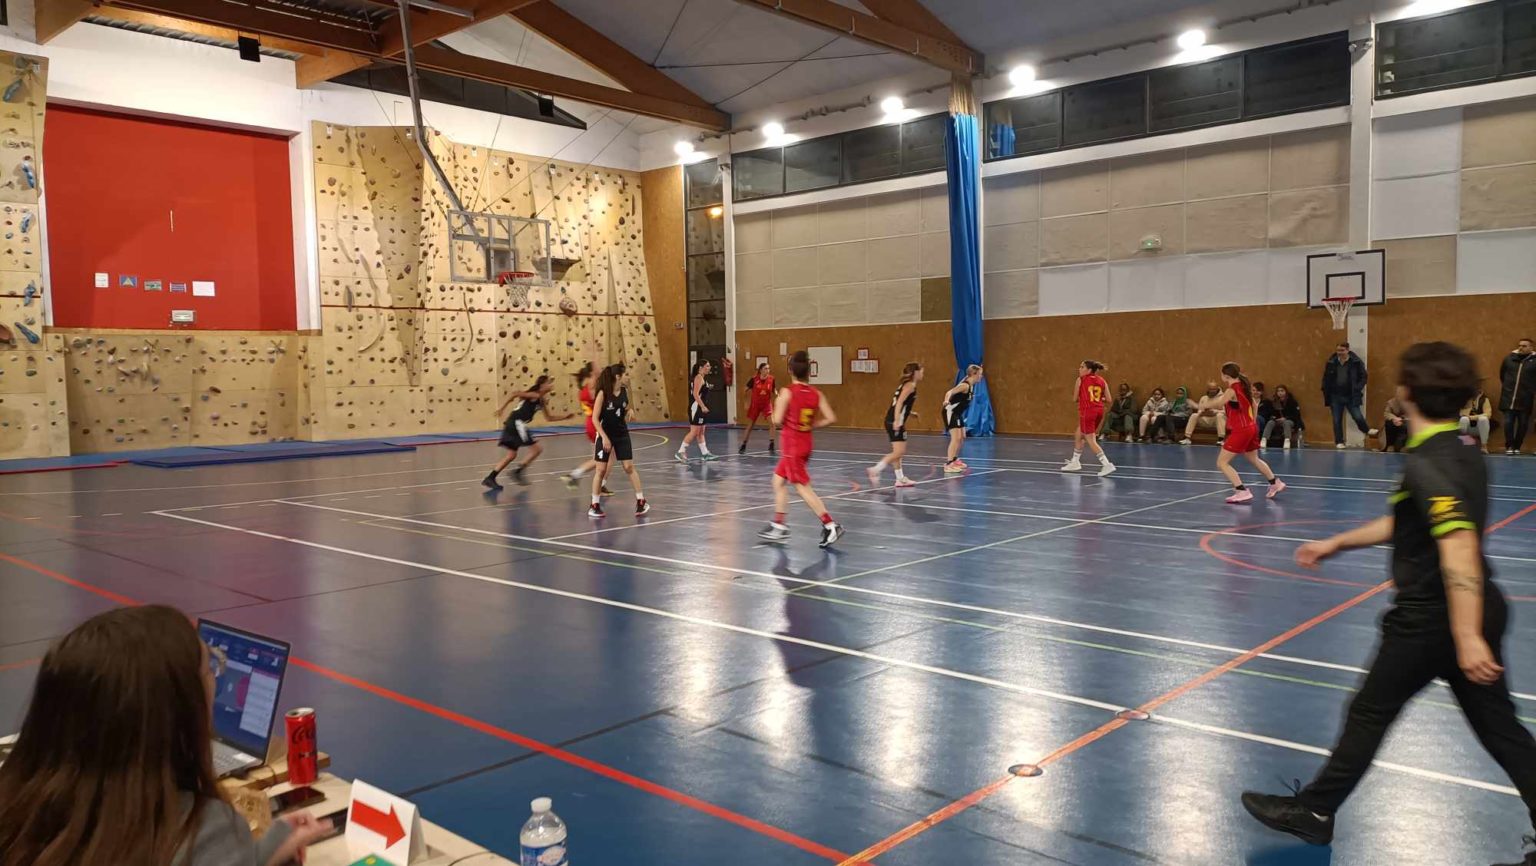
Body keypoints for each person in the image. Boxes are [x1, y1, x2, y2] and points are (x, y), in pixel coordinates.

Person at [1241, 341, 1536, 866]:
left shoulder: (1430, 464)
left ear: (1407, 393)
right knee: (1501, 730)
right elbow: (1410, 521)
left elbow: (1458, 548)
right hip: (1473, 606)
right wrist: (1337, 542)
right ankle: (1317, 807)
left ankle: (1315, 811)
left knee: (1370, 711)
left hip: (1433, 617)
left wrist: (1466, 635)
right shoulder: (1463, 445)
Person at [0, 605, 331, 866]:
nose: (215, 680)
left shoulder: (22, 811)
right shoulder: (198, 832)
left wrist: (255, 855)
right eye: (209, 670)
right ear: (178, 711)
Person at [757, 350, 844, 548]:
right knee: (778, 481)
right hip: (805, 443)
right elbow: (831, 418)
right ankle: (779, 525)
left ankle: (830, 524)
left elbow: (777, 420)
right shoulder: (816, 393)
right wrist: (812, 425)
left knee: (802, 486)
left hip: (792, 446)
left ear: (790, 370)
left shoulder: (787, 392)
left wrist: (777, 405)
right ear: (809, 372)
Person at [485, 375, 575, 490]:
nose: (551, 385)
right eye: (549, 382)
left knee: (511, 455)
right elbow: (515, 393)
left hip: (514, 423)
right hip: (517, 423)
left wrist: (565, 417)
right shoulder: (535, 395)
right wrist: (502, 408)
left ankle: (490, 478)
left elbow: (549, 418)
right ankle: (517, 472)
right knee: (537, 449)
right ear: (542, 385)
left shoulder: (541, 400)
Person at [1213, 362, 1284, 504]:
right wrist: (1252, 422)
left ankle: (1241, 490)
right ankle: (1275, 482)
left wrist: (1200, 405)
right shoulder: (1243, 387)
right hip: (1250, 427)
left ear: (1226, 375)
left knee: (1222, 462)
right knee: (1253, 459)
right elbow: (1255, 405)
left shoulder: (1232, 390)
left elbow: (1218, 403)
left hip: (1241, 429)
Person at [589, 363, 649, 518]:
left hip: (621, 434)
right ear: (618, 376)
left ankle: (641, 501)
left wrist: (630, 410)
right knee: (600, 470)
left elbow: (624, 406)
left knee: (629, 467)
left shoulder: (624, 391)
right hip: (605, 434)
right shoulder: (603, 394)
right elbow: (595, 419)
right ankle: (594, 505)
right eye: (626, 374)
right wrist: (604, 437)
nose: (628, 377)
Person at [561, 362, 614, 495]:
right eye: (597, 370)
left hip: (590, 424)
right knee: (606, 458)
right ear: (592, 373)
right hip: (596, 425)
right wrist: (595, 353)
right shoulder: (592, 386)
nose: (600, 371)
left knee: (601, 458)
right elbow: (597, 370)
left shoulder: (584, 389)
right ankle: (596, 484)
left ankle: (576, 475)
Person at [868, 362, 922, 488]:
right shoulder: (910, 386)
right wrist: (897, 420)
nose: (922, 374)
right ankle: (875, 470)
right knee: (899, 452)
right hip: (894, 421)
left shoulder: (906, 384)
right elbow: (899, 403)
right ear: (915, 372)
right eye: (921, 371)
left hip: (892, 420)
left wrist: (910, 413)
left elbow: (901, 404)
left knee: (898, 452)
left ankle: (900, 479)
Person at [1063, 360, 1116, 476]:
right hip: (1099, 411)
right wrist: (1096, 399)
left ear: (1089, 370)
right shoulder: (1102, 380)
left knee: (1090, 439)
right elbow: (1108, 399)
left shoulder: (1081, 380)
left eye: (1082, 367)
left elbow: (1075, 399)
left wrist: (1085, 398)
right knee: (1079, 434)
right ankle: (1075, 461)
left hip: (1088, 411)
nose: (1079, 369)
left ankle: (1106, 464)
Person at [1322, 342, 1379, 449]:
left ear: (1347, 350)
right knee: (1336, 420)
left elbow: (1363, 376)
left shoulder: (1356, 362)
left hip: (1351, 395)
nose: (1339, 353)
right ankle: (1339, 441)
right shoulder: (1331, 362)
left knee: (1357, 416)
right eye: (1338, 350)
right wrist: (1325, 388)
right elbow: (1326, 377)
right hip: (1335, 396)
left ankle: (1366, 430)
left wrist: (1358, 387)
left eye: (1342, 350)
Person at [942, 365, 984, 474]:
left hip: (958, 413)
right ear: (974, 374)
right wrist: (946, 400)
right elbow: (949, 392)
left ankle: (955, 459)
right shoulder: (964, 386)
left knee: (962, 437)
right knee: (955, 438)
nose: (981, 376)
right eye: (980, 374)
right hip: (950, 411)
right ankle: (949, 464)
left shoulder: (971, 385)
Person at [1498, 337, 1535, 455]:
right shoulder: (1509, 359)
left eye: (1524, 346)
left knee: (1523, 424)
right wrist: (1508, 387)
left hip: (1525, 399)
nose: (1521, 348)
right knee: (1508, 423)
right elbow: (1502, 375)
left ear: (1531, 348)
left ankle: (1517, 446)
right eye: (1519, 345)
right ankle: (1509, 446)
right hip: (1508, 398)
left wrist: (1530, 390)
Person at [677, 360, 717, 463]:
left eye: (709, 366)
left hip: (700, 408)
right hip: (696, 408)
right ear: (700, 368)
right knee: (694, 432)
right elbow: (695, 394)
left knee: (701, 432)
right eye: (707, 366)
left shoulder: (701, 378)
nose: (709, 368)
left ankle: (705, 453)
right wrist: (702, 406)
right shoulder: (698, 378)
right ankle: (681, 451)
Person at [738, 358, 778, 455]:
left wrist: (777, 393)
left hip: (766, 404)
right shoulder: (754, 379)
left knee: (772, 423)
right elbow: (744, 390)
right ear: (760, 370)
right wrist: (746, 402)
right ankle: (743, 444)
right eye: (765, 368)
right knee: (750, 425)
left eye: (768, 368)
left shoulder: (771, 379)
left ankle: (771, 444)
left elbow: (773, 389)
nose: (767, 370)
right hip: (755, 405)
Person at [1261, 385, 1304, 450]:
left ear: (1286, 392)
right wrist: (1274, 418)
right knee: (1270, 422)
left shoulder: (1292, 401)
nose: (1280, 393)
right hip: (1278, 420)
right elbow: (1271, 413)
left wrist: (1285, 418)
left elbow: (1296, 415)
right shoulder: (1274, 402)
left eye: (1282, 391)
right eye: (1278, 391)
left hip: (1290, 420)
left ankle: (1287, 440)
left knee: (1287, 423)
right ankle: (1264, 439)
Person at [1462, 388, 1497, 453]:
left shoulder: (1484, 399)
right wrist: (1469, 406)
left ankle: (1484, 446)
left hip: (1480, 428)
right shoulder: (1464, 399)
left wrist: (1472, 417)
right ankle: (1464, 445)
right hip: (1466, 427)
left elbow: (1488, 414)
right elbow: (1461, 414)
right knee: (1463, 419)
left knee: (1483, 419)